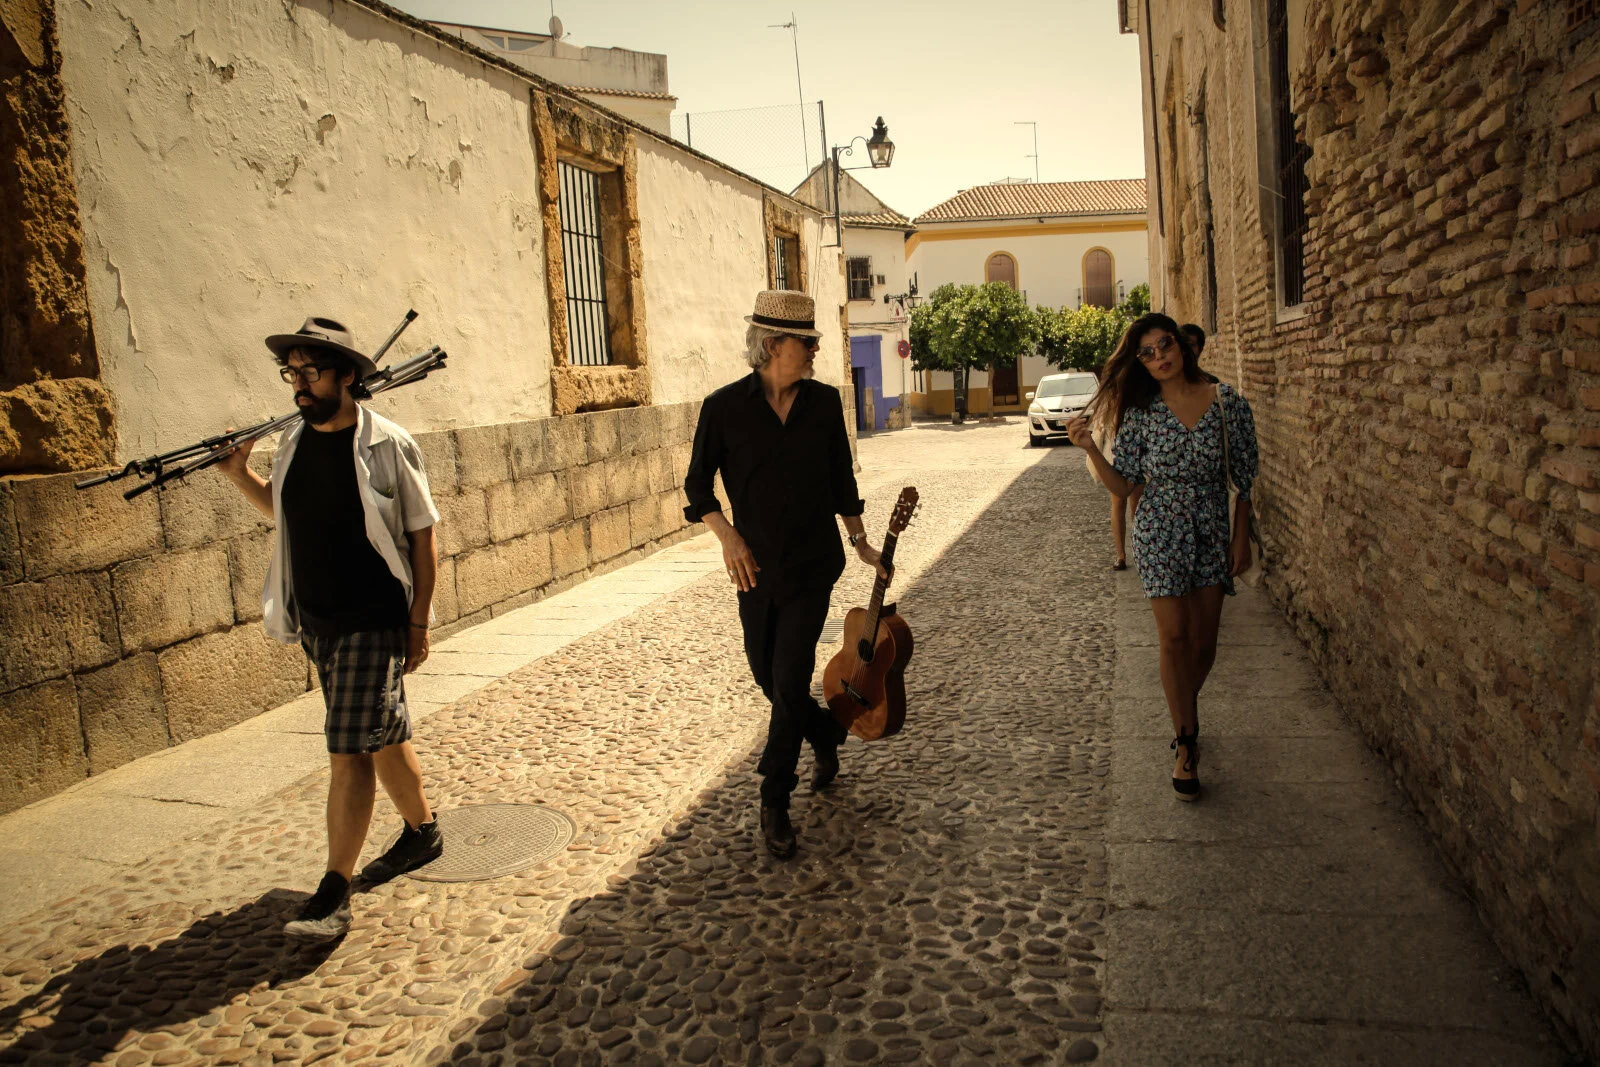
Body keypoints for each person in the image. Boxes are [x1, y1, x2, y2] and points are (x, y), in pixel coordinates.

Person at [218, 316, 445, 937]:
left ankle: (333, 891)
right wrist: (241, 476)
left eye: (310, 371)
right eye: (291, 372)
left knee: (348, 751)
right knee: (380, 733)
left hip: (373, 619)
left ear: (346, 375)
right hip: (317, 621)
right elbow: (283, 512)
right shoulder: (293, 444)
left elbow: (423, 538)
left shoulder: (387, 444)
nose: (299, 384)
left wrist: (418, 623)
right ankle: (423, 833)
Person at [683, 290, 892, 858]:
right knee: (768, 678)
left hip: (813, 565)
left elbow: (840, 481)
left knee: (791, 667)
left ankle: (775, 798)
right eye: (808, 343)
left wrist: (862, 541)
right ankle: (824, 734)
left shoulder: (824, 404)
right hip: (753, 571)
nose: (817, 350)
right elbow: (697, 487)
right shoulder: (723, 408)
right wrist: (727, 537)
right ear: (772, 345)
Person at [1068, 313, 1259, 800]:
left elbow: (1244, 480)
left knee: (1204, 645)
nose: (1159, 357)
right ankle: (1186, 743)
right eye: (1147, 353)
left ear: (1182, 344)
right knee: (1173, 638)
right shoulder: (1141, 414)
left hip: (1212, 526)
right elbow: (1124, 484)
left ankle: (1183, 709)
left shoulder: (1227, 403)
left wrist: (1242, 537)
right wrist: (1091, 449)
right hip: (1157, 530)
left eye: (1164, 345)